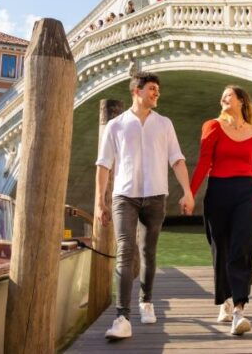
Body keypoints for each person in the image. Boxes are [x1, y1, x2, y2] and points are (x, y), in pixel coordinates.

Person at [96, 72, 195, 340]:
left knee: (148, 251)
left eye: (158, 90)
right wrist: (99, 202)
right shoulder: (116, 125)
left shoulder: (164, 124)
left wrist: (187, 191)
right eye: (152, 89)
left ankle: (146, 301)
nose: (156, 94)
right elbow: (104, 165)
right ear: (136, 91)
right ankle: (122, 317)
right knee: (125, 250)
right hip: (124, 196)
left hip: (155, 196)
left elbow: (177, 159)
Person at [190, 86, 252, 336]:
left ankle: (239, 311)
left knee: (241, 250)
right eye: (221, 94)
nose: (223, 97)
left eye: (228, 94)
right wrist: (190, 192)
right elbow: (204, 162)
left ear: (242, 100)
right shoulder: (212, 126)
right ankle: (225, 301)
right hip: (218, 192)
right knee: (220, 249)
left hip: (246, 194)